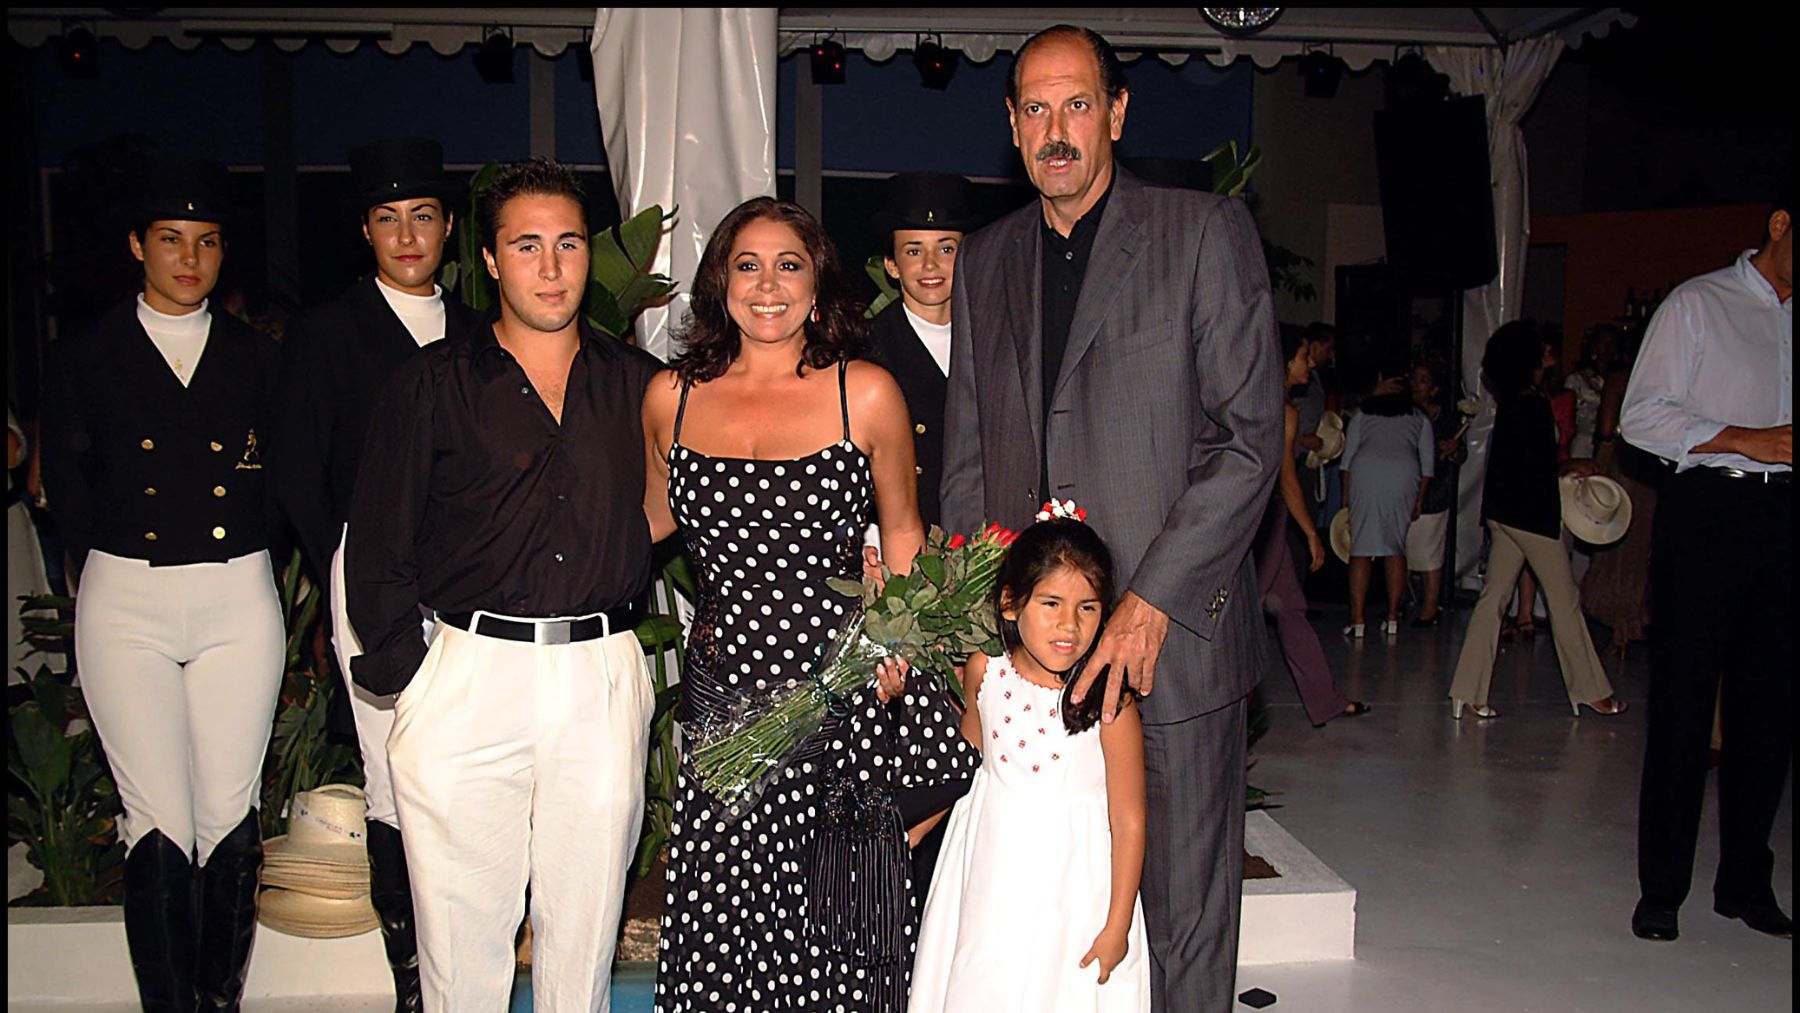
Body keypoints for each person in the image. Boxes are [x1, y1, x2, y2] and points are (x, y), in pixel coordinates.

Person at [940, 25, 1283, 1013]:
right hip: (1030, 665)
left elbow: (1249, 438)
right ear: (1011, 126)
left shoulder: (1202, 234)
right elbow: (967, 468)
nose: (1057, 129)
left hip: (1167, 642)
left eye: (1077, 103)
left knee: (1179, 910)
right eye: (1036, 109)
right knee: (1046, 914)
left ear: (1117, 112)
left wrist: (1150, 599)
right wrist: (977, 642)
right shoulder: (989, 260)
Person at [642, 196, 980, 1012]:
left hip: (840, 699)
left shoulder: (863, 394)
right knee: (730, 927)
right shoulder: (671, 398)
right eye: (747, 265)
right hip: (727, 712)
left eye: (788, 264)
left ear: (818, 283)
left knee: (837, 928)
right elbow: (641, 526)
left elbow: (903, 536)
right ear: (719, 280)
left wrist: (903, 645)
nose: (767, 285)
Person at [345, 158, 662, 1011]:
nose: (551, 267)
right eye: (527, 246)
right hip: (468, 671)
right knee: (460, 947)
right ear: (487, 259)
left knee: (584, 937)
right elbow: (376, 544)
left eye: (566, 244)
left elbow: (679, 502)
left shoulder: (638, 387)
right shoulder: (429, 386)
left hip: (598, 670)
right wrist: (415, 679)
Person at [40, 156, 283, 1011]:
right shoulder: (86, 356)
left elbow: (284, 479)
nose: (190, 258)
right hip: (127, 594)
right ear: (137, 245)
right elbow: (65, 489)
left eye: (208, 241)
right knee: (156, 821)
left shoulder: (259, 358)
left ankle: (218, 1000)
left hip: (235, 594)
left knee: (227, 814)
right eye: (172, 239)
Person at [270, 137, 476, 1012]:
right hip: (373, 570)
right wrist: (342, 572)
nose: (406, 235)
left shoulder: (480, 330)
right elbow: (295, 470)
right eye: (387, 219)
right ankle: (410, 980)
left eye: (422, 216)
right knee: (393, 773)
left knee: (469, 770)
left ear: (449, 228)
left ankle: (466, 961)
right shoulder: (328, 332)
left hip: (475, 575)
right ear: (365, 230)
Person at [1622, 198, 1791, 943]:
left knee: (1771, 710)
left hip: (1785, 523)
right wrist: (1747, 439)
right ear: (1781, 225)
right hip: (1708, 513)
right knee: (1685, 706)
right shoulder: (1698, 304)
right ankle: (1662, 888)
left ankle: (1745, 883)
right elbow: (1640, 416)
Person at [909, 515, 1150, 1011]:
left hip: (1074, 894)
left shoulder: (1110, 705)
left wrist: (1118, 923)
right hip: (990, 883)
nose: (1070, 625)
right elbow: (962, 768)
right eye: (1051, 604)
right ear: (1010, 603)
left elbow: (1128, 819)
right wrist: (908, 831)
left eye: (1088, 608)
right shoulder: (985, 674)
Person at [865, 169, 985, 908]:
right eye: (915, 251)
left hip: (988, 575)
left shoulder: (998, 336)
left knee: (982, 751)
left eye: (947, 248)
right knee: (918, 759)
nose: (932, 267)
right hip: (910, 585)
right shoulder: (868, 351)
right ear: (889, 263)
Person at [1446, 321, 1627, 720]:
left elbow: (1515, 465)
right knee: (1564, 601)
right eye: (1542, 349)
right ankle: (1591, 691)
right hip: (1529, 515)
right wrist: (1572, 465)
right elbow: (1537, 468)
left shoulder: (1514, 400)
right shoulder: (1532, 402)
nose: (1550, 353)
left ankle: (1467, 691)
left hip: (1504, 513)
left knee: (1493, 599)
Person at [1257, 328, 1367, 724]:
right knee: (1245, 614)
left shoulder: (1259, 401)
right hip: (1264, 521)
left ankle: (1326, 701)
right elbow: (1286, 479)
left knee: (1291, 610)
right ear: (1286, 363)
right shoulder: (1282, 411)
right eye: (1304, 356)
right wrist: (1311, 532)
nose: (1311, 363)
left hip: (1262, 519)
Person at [1578, 329, 1656, 661]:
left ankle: (1620, 626)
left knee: (1619, 548)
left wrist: (1600, 466)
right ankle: (1635, 621)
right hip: (1656, 473)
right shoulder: (1661, 380)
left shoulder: (1621, 379)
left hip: (1628, 469)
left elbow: (1607, 429)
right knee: (1644, 549)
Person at [1339, 367, 1434, 638]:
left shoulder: (1364, 413)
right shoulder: (1418, 417)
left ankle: (1357, 619)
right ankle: (1393, 615)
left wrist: (1346, 496)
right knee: (1395, 546)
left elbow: (1347, 459)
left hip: (1366, 473)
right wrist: (1419, 499)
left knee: (1360, 547)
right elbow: (1427, 464)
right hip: (1403, 475)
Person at [1404, 362, 1465, 627]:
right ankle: (1400, 602)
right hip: (1404, 488)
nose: (1417, 384)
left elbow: (1461, 455)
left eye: (1423, 380)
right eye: (1414, 378)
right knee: (1401, 549)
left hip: (1435, 492)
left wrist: (1454, 449)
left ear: (1434, 388)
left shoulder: (1447, 419)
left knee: (1429, 551)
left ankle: (1430, 608)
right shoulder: (1404, 414)